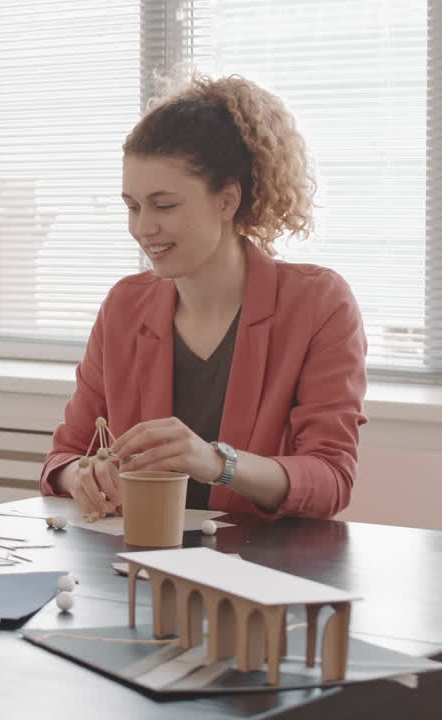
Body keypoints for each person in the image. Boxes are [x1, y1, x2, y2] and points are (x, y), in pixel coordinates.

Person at [41, 74, 367, 519]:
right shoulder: (123, 306)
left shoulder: (318, 304)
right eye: (132, 207)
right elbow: (61, 460)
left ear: (227, 200)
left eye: (164, 205)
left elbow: (331, 479)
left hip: (257, 571)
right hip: (133, 563)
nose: (142, 228)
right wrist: (81, 476)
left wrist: (217, 463)